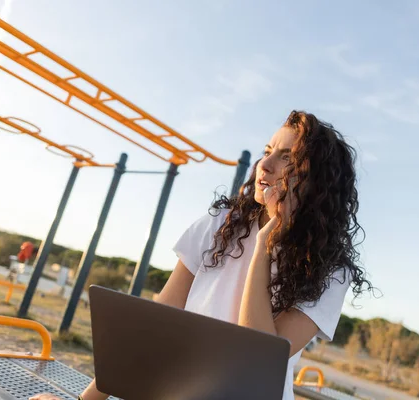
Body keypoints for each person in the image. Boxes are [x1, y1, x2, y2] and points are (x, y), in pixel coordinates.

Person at [31, 110, 372, 400]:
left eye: (286, 157)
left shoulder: (331, 271)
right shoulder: (223, 224)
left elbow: (257, 356)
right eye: (267, 150)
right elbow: (155, 322)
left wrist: (266, 244)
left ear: (317, 181)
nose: (264, 165)